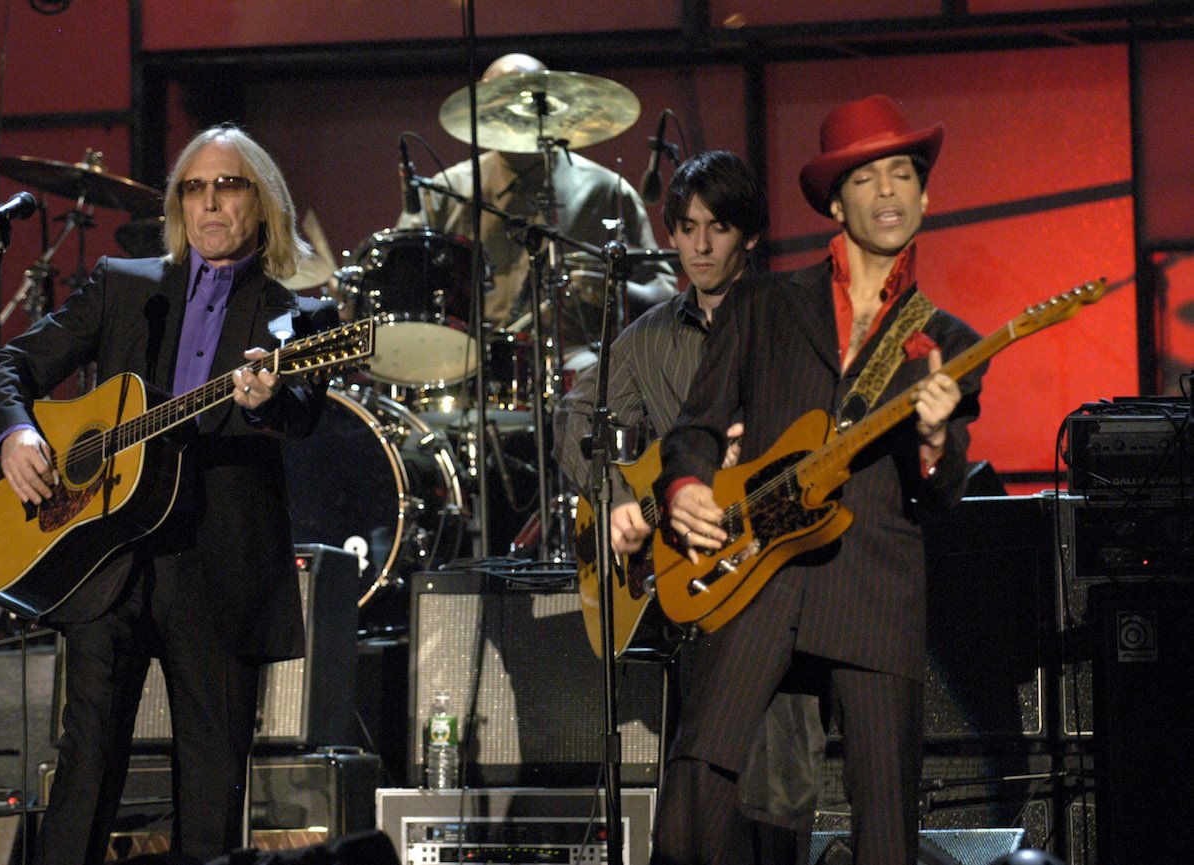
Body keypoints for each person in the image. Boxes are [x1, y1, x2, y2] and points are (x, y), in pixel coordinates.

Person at [0, 125, 339, 864]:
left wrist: (268, 399)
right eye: (194, 187)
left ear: (262, 202)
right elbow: (11, 365)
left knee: (210, 793)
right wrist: (15, 433)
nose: (209, 202)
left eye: (228, 185)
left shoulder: (296, 316)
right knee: (84, 770)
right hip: (103, 560)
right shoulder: (125, 285)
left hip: (219, 569)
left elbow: (303, 414)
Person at [653, 95, 986, 864]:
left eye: (903, 174)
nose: (888, 191)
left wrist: (935, 436)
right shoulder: (763, 302)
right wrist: (687, 488)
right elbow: (695, 428)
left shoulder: (945, 340)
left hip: (874, 580)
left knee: (887, 822)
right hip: (755, 569)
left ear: (925, 197)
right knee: (696, 783)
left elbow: (942, 491)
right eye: (866, 177)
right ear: (836, 203)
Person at [552, 150, 826, 863]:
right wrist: (620, 501)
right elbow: (575, 420)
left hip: (775, 565)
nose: (700, 246)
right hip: (693, 582)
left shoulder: (792, 318)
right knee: (702, 779)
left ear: (750, 235)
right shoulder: (648, 339)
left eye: (719, 228)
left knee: (777, 784)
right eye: (687, 228)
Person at [396, 52, 678, 367]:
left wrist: (612, 289)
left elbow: (663, 294)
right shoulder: (446, 191)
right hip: (468, 364)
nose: (517, 115)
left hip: (577, 361)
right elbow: (399, 276)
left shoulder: (606, 190)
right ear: (484, 113)